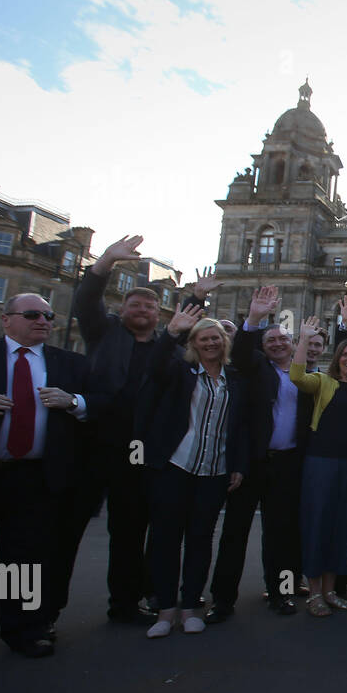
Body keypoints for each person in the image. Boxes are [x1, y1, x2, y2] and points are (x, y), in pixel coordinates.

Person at [61, 235, 212, 627]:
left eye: (150, 305)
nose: (143, 309)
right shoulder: (103, 332)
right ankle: (43, 613)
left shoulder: (170, 347)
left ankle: (125, 603)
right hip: (95, 441)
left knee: (130, 530)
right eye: (135, 304)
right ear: (121, 308)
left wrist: (197, 296)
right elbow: (84, 303)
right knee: (66, 530)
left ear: (159, 313)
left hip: (140, 448)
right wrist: (104, 263)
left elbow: (184, 328)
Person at [0, 294, 100, 657]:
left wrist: (75, 402)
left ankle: (23, 630)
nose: (43, 320)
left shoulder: (71, 364)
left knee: (25, 559)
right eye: (32, 315)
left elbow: (104, 403)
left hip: (35, 478)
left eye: (48, 315)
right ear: (6, 319)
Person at [140, 304, 247, 638]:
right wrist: (171, 331)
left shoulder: (235, 379)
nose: (211, 343)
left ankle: (190, 608)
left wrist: (238, 466)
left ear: (224, 342)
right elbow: (153, 367)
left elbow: (240, 427)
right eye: (203, 338)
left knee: (201, 539)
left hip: (214, 470)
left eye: (216, 338)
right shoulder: (179, 371)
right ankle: (165, 610)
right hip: (176, 464)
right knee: (166, 539)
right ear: (194, 343)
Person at [205, 286, 309, 620]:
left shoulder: (303, 375)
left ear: (293, 344)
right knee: (235, 532)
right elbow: (243, 353)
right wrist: (253, 319)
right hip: (251, 463)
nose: (278, 344)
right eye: (271, 341)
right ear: (263, 348)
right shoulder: (253, 370)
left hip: (287, 461)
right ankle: (223, 600)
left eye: (283, 340)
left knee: (281, 534)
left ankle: (282, 592)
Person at [288, 316, 347, 617]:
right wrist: (303, 339)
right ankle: (313, 593)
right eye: (346, 355)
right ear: (338, 359)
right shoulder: (323, 382)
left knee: (343, 527)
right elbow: (297, 376)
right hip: (321, 462)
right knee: (317, 524)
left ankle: (330, 590)